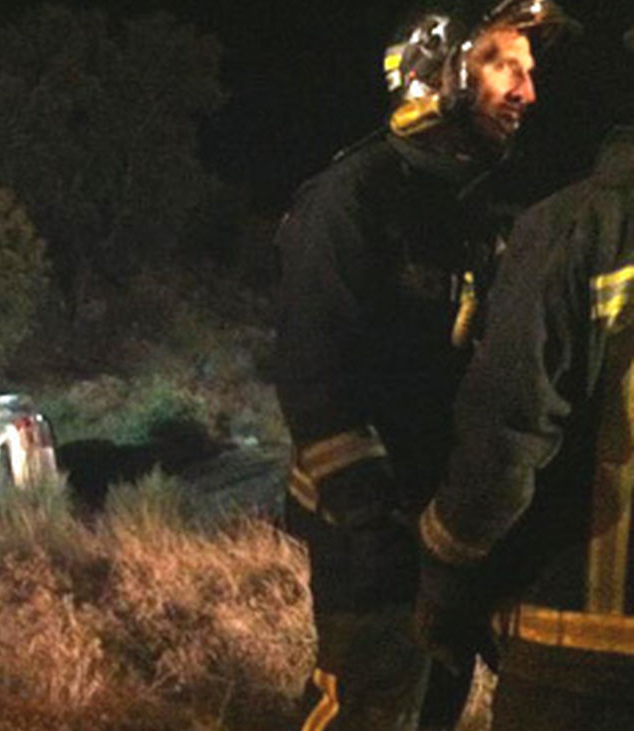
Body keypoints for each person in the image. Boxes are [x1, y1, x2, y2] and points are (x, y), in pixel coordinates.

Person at [273, 1, 576, 728]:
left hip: (439, 541)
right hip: (370, 540)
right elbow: (316, 381)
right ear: (438, 69)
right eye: (503, 63)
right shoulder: (353, 199)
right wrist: (376, 532)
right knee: (368, 707)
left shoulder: (469, 209)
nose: (526, 90)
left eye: (529, 72)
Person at [416, 17, 634, 731]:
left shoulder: (574, 228)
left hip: (580, 656)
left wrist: (444, 580)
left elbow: (503, 441)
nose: (530, 93)